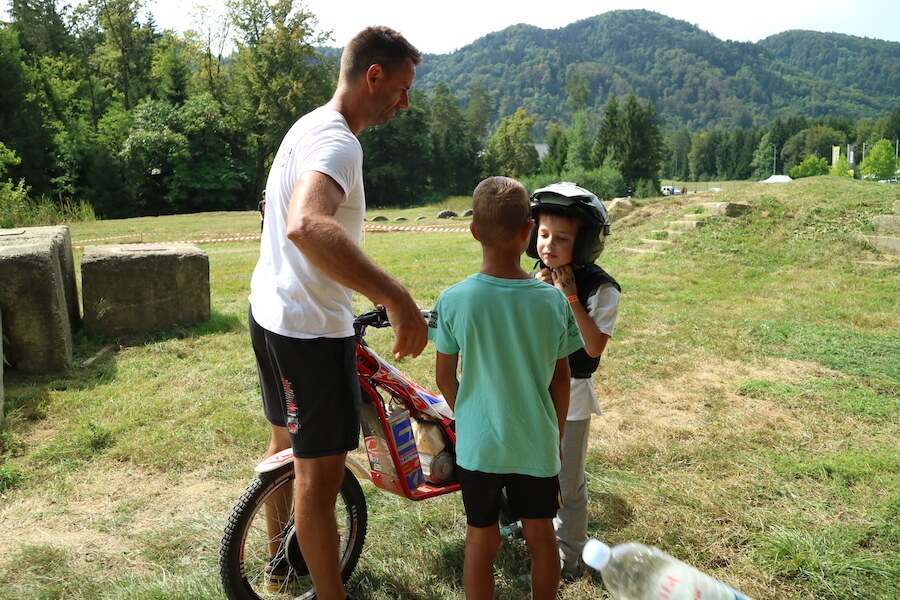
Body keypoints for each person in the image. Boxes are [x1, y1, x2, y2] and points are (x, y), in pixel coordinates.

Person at [247, 26, 426, 600]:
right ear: (373, 75)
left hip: (269, 313)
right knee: (318, 480)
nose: (404, 102)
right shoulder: (339, 144)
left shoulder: (307, 125)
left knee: (285, 450)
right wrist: (394, 296)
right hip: (309, 332)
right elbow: (306, 223)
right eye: (401, 88)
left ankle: (281, 569)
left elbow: (275, 213)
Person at [429, 176, 584, 600]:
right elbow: (561, 379)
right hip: (535, 441)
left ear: (473, 231)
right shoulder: (552, 300)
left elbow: (444, 377)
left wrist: (470, 415)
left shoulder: (453, 300)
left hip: (478, 445)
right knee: (541, 537)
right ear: (528, 232)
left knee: (481, 539)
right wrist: (556, 435)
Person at [503, 181, 621, 581]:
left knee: (568, 480)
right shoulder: (535, 276)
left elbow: (593, 347)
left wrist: (569, 296)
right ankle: (532, 522)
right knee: (530, 469)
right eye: (543, 234)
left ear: (584, 243)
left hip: (572, 396)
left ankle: (568, 552)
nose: (548, 245)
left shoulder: (600, 289)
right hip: (532, 393)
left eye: (562, 238)